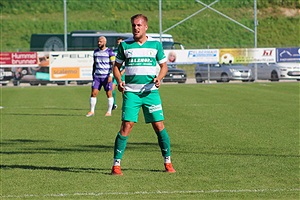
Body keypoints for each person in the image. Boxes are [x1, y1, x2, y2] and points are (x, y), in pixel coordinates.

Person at [111, 14, 176, 175]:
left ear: (146, 27)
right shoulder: (125, 45)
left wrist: (159, 78)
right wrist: (119, 81)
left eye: (139, 25)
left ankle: (167, 161)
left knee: (159, 126)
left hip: (150, 92)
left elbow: (164, 67)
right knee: (127, 126)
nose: (136, 28)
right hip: (131, 93)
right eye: (133, 25)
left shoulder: (155, 44)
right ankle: (116, 165)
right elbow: (116, 67)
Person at [86, 36, 115, 117]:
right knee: (93, 93)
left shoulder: (110, 52)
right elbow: (94, 64)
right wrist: (93, 73)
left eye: (101, 41)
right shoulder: (95, 52)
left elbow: (113, 64)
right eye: (98, 41)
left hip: (106, 76)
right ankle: (92, 111)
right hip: (97, 77)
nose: (99, 43)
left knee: (109, 94)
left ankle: (109, 112)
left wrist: (111, 75)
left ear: (105, 42)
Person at [112, 37, 125, 110]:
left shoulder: (125, 50)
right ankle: (113, 104)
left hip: (123, 73)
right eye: (118, 42)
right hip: (116, 73)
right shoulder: (114, 51)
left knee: (123, 90)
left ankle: (124, 105)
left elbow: (127, 64)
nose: (119, 44)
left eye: (120, 42)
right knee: (112, 88)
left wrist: (122, 72)